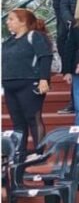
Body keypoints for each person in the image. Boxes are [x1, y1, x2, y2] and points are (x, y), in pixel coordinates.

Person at [2, 9, 53, 153]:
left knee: (33, 118)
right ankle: (19, 153)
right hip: (10, 85)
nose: (8, 22)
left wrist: (44, 79)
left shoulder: (35, 36)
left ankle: (40, 153)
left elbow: (45, 57)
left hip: (29, 83)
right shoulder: (9, 41)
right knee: (17, 122)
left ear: (23, 21)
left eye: (11, 19)